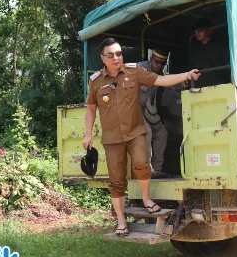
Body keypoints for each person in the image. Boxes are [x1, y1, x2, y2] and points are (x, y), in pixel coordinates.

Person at [83, 38, 200, 236]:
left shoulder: (134, 71)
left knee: (141, 165)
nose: (116, 58)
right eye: (110, 55)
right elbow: (91, 107)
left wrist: (185, 75)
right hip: (112, 138)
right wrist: (88, 134)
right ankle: (121, 221)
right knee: (117, 181)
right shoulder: (95, 81)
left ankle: (146, 199)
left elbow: (160, 80)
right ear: (103, 58)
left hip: (136, 131)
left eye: (119, 53)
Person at [138, 48, 170, 179]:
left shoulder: (161, 75)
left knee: (162, 134)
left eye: (163, 63)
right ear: (151, 59)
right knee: (147, 132)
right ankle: (147, 169)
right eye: (157, 62)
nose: (159, 65)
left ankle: (157, 170)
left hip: (148, 111)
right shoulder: (139, 68)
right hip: (134, 110)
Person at [189, 18, 231, 87]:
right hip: (200, 88)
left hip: (220, 86)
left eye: (200, 29)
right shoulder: (195, 51)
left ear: (209, 30)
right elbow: (191, 69)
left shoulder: (221, 46)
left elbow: (228, 66)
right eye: (195, 30)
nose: (197, 32)